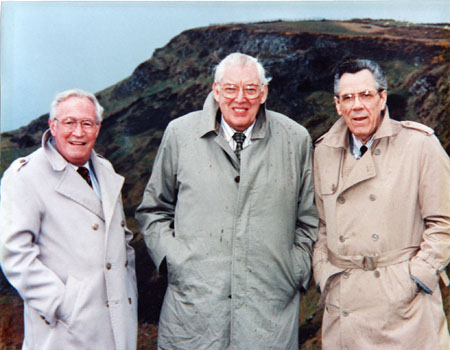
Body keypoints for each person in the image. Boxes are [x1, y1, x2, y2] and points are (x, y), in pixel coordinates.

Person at [136, 52, 318, 350]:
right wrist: (174, 262)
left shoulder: (295, 139)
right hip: (195, 310)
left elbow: (309, 219)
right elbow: (154, 208)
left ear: (264, 93)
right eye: (231, 89)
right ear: (216, 91)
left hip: (268, 312)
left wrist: (293, 270)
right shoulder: (180, 134)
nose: (240, 99)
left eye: (250, 89)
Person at [313, 59, 450, 350]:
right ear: (337, 105)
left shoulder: (420, 145)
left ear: (382, 98)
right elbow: (322, 224)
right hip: (344, 307)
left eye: (366, 95)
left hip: (403, 311)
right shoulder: (323, 151)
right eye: (347, 98)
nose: (357, 106)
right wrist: (324, 272)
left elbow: (444, 222)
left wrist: (417, 277)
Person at [0, 89, 138, 350]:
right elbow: (14, 254)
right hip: (64, 332)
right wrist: (61, 305)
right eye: (69, 122)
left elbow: (123, 243)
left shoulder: (106, 171)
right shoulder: (25, 176)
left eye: (87, 123)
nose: (78, 132)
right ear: (52, 126)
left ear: (97, 129)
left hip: (116, 325)